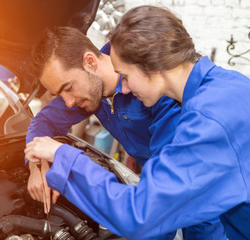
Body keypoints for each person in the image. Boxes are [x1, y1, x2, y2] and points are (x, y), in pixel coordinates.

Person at [25, 26, 226, 239]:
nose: (68, 102)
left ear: (90, 62)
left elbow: (157, 197)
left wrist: (65, 161)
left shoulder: (152, 86)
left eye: (68, 87)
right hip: (157, 182)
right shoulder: (87, 88)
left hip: (197, 188)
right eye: (60, 93)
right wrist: (38, 166)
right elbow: (43, 121)